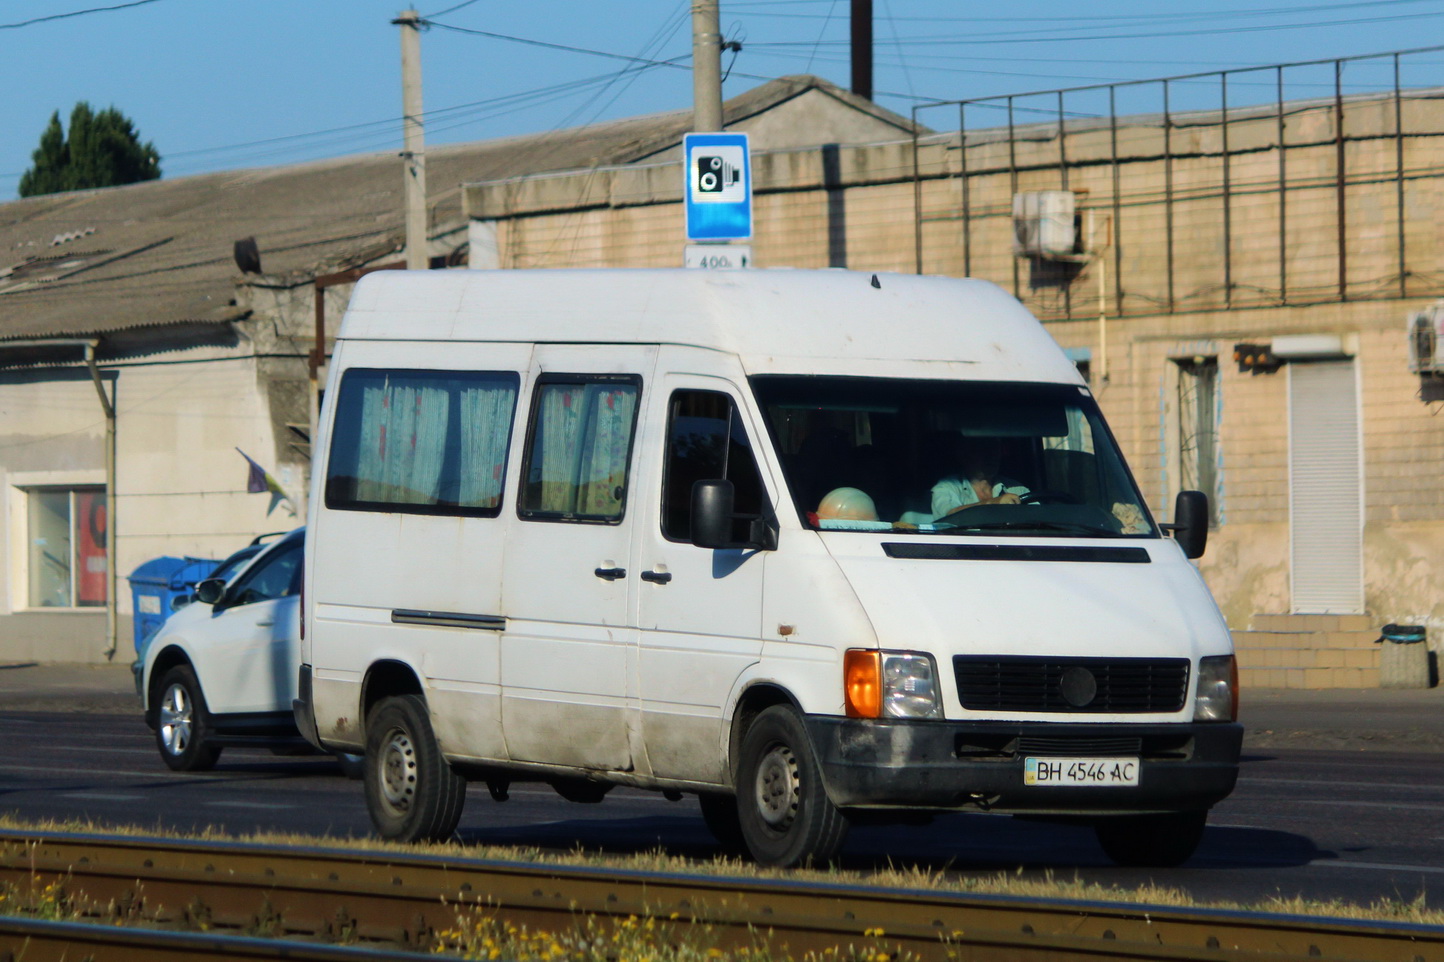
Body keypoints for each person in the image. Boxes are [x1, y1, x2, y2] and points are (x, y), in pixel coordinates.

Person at [930, 435, 1029, 518]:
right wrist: (994, 503)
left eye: (995, 449)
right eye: (984, 449)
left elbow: (1038, 519)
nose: (992, 455)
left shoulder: (1016, 489)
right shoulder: (946, 487)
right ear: (964, 455)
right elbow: (950, 516)